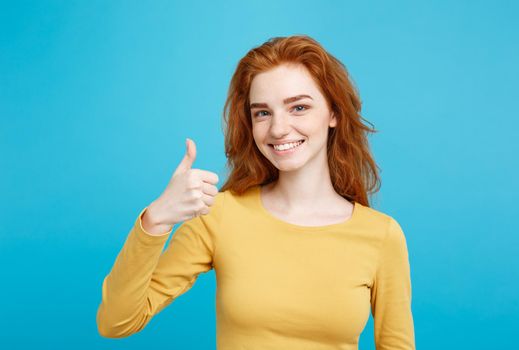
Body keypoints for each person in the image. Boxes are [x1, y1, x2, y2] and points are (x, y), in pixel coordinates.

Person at [96, 35, 416, 349]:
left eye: (299, 107)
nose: (278, 129)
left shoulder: (381, 236)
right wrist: (156, 219)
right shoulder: (220, 215)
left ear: (333, 113)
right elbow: (117, 322)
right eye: (262, 112)